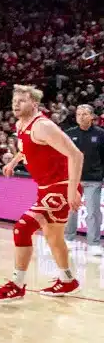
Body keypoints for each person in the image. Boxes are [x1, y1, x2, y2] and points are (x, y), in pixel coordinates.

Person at [0, 85, 84, 300]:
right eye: (14, 101)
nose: (15, 104)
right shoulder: (22, 124)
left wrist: (71, 189)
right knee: (53, 237)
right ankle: (68, 281)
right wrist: (13, 161)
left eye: (21, 101)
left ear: (34, 103)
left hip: (60, 187)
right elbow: (28, 149)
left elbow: (76, 156)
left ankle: (17, 284)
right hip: (46, 188)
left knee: (22, 228)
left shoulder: (43, 126)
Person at [64, 104, 103, 257]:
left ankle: (93, 244)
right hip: (73, 179)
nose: (81, 116)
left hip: (94, 179)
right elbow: (64, 156)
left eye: (85, 114)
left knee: (93, 211)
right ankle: (68, 239)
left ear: (92, 116)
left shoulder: (101, 134)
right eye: (79, 114)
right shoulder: (69, 133)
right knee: (71, 210)